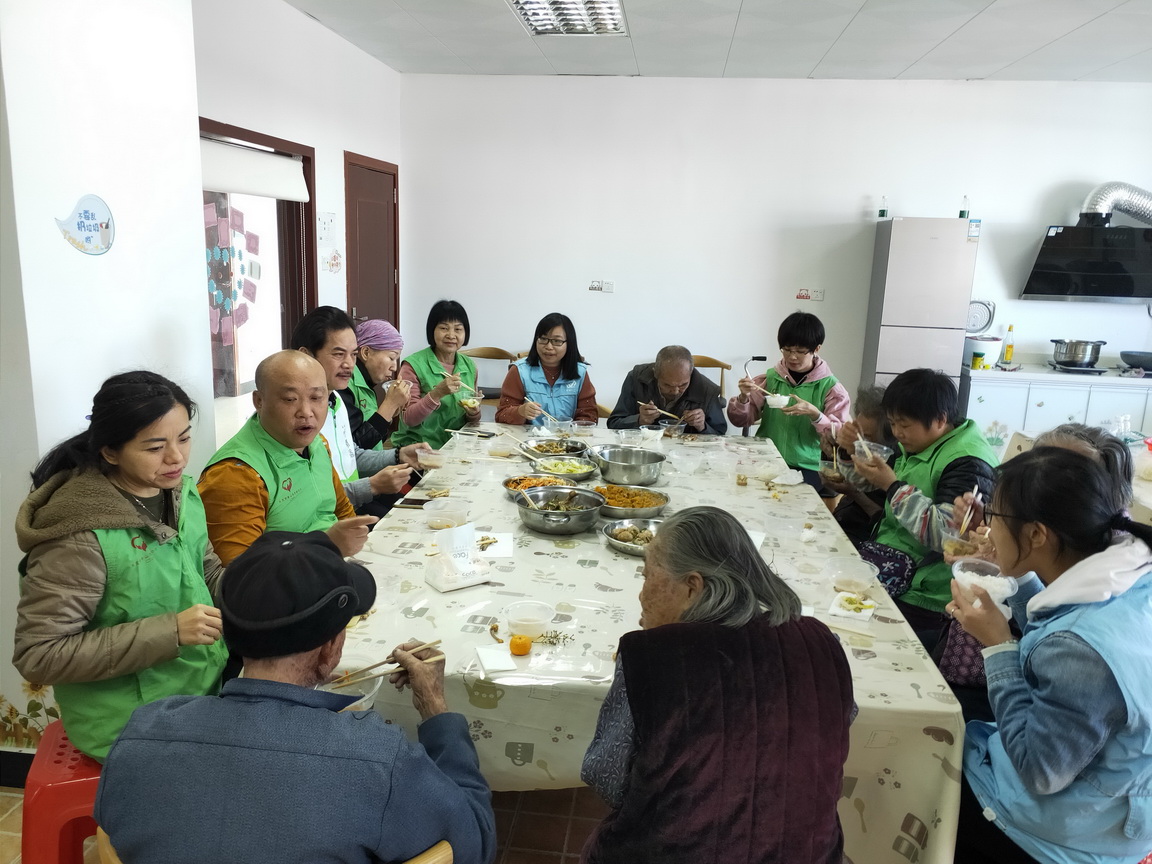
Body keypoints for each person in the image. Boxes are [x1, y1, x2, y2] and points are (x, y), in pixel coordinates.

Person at [95, 530, 496, 864]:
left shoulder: (138, 737)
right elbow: (475, 842)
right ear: (332, 649)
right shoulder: (380, 761)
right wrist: (436, 709)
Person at [580, 506, 853, 864]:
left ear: (693, 586)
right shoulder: (821, 641)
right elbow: (840, 722)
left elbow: (606, 777)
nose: (641, 594)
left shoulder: (650, 655)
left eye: (646, 575)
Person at [946, 448, 1152, 864]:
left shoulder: (1081, 652)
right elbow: (1066, 623)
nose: (987, 531)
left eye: (997, 520)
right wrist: (1018, 576)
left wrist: (999, 645)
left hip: (1056, 835)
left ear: (1038, 534)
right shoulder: (1127, 578)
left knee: (914, 770)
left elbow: (1040, 772)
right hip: (1110, 804)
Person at [12, 372, 227, 761]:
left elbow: (204, 568)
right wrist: (170, 631)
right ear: (111, 452)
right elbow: (38, 655)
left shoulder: (179, 491)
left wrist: (262, 588)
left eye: (184, 438)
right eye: (155, 447)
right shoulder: (80, 535)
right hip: (129, 725)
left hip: (197, 691)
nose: (176, 457)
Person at [836, 368, 997, 646]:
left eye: (904, 425)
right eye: (893, 423)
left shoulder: (968, 463)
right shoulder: (919, 442)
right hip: (888, 562)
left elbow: (946, 538)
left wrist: (893, 487)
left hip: (925, 592)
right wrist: (848, 451)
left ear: (940, 419)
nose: (897, 433)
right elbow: (864, 485)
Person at [198, 351, 376, 565]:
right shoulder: (236, 473)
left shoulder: (318, 444)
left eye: (317, 398)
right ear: (259, 401)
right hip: (287, 584)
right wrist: (326, 545)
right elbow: (242, 575)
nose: (306, 412)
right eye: (290, 399)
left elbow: (341, 510)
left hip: (334, 564)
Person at [290, 306, 429, 518]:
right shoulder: (295, 417)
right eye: (338, 354)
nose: (349, 364)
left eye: (352, 355)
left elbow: (350, 454)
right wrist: (372, 485)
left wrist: (398, 454)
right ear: (306, 356)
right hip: (327, 516)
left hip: (351, 502)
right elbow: (306, 498)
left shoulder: (334, 399)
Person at [727, 312, 851, 492]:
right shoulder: (770, 379)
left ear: (816, 349)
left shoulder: (831, 388)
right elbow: (740, 421)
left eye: (800, 351)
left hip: (808, 466)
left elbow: (839, 438)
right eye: (787, 349)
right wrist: (743, 397)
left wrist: (815, 415)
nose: (792, 357)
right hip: (765, 459)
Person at [392, 300, 481, 450]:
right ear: (432, 330)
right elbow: (409, 419)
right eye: (444, 328)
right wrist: (437, 393)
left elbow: (472, 421)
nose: (451, 335)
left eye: (458, 329)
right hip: (418, 449)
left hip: (456, 446)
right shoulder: (413, 365)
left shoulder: (469, 366)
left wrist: (474, 413)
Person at [821, 385, 898, 544]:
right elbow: (845, 474)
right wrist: (833, 450)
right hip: (840, 522)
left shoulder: (895, 467)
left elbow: (885, 522)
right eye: (857, 435)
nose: (858, 444)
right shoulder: (858, 453)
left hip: (865, 541)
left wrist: (854, 493)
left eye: (866, 439)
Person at [496, 312, 598, 425]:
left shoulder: (580, 373)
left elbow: (589, 415)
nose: (548, 347)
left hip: (567, 439)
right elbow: (502, 414)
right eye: (543, 339)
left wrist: (574, 432)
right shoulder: (519, 371)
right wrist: (520, 411)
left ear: (569, 343)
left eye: (557, 341)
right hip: (529, 439)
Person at [607, 345, 727, 434]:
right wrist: (639, 420)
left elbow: (720, 435)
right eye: (667, 385)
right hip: (643, 451)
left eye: (682, 385)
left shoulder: (706, 390)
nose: (675, 391)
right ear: (655, 374)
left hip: (686, 456)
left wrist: (702, 426)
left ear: (691, 374)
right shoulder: (637, 379)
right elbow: (613, 424)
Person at [342, 318, 410, 452]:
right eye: (391, 358)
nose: (394, 367)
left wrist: (390, 413)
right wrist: (389, 405)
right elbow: (354, 449)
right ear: (366, 353)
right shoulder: (345, 385)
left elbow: (376, 441)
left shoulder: (366, 383)